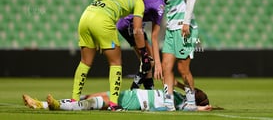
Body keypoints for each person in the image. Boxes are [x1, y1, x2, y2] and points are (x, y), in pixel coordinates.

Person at [71, 0, 155, 111]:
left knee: (85, 62)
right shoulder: (138, 1)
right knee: (115, 62)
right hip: (103, 21)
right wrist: (144, 54)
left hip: (86, 17)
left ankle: (74, 99)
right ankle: (114, 104)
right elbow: (137, 30)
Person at [146, 0, 200, 111]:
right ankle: (168, 103)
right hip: (171, 30)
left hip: (183, 29)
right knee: (166, 67)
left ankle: (191, 103)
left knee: (183, 69)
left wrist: (186, 23)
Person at [22, 82, 212, 111]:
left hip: (136, 101)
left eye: (194, 93)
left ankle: (56, 106)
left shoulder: (182, 105)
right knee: (89, 96)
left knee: (94, 102)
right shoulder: (177, 95)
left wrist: (203, 107)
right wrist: (182, 84)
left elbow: (197, 107)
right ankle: (41, 105)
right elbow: (181, 84)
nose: (191, 91)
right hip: (131, 94)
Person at [116, 0, 165, 90]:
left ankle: (150, 91)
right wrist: (158, 64)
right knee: (148, 62)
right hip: (130, 25)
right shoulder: (160, 5)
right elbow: (154, 36)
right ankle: (133, 91)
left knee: (148, 61)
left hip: (130, 24)